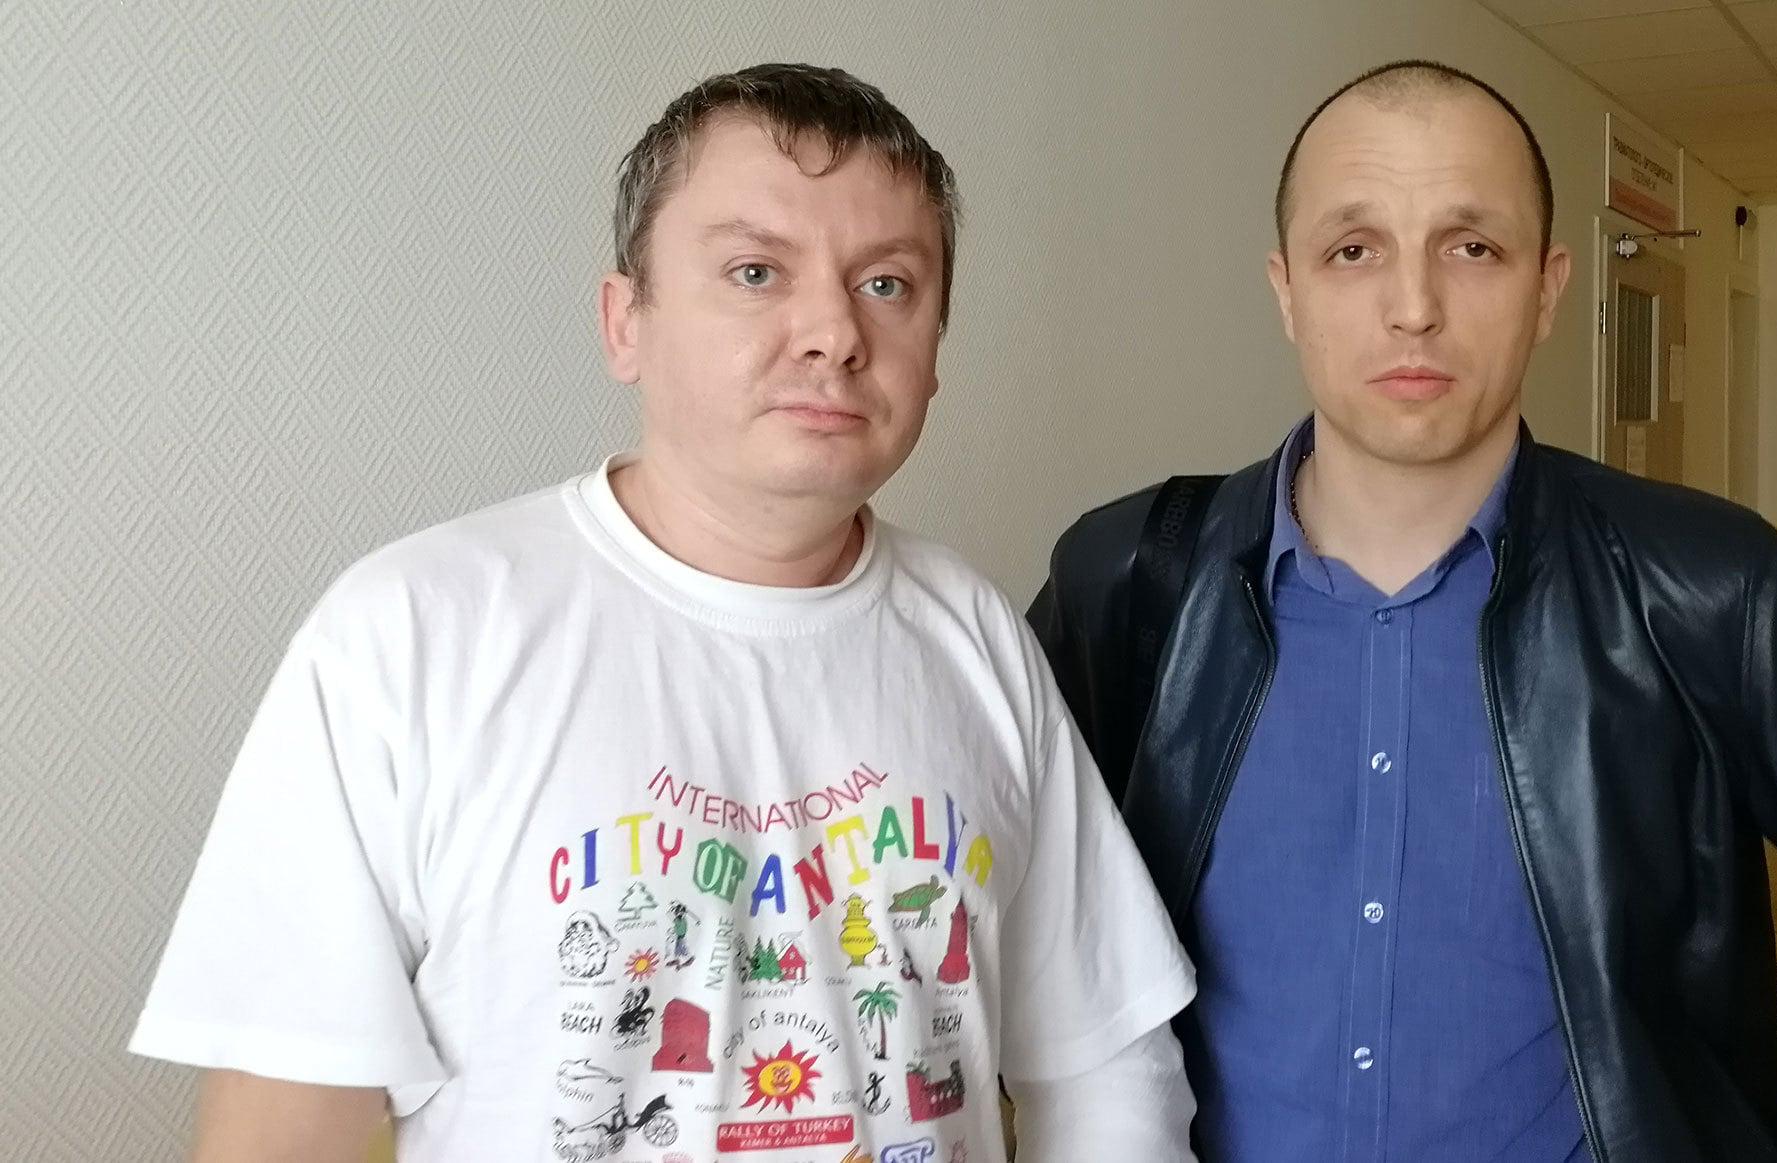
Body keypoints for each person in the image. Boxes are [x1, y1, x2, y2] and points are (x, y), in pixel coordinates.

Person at [130, 64, 1197, 1162]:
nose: (833, 331)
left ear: (935, 349)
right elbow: (285, 1124)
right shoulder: (409, 634)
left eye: (888, 284)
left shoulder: (976, 634)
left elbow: (1104, 1061)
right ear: (624, 322)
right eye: (755, 271)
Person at [1028, 60, 1777, 1160]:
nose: (1414, 307)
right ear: (1287, 290)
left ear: (1550, 289)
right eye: (1353, 249)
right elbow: (980, 926)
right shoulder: (1134, 579)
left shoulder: (1706, 588)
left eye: (1473, 248)